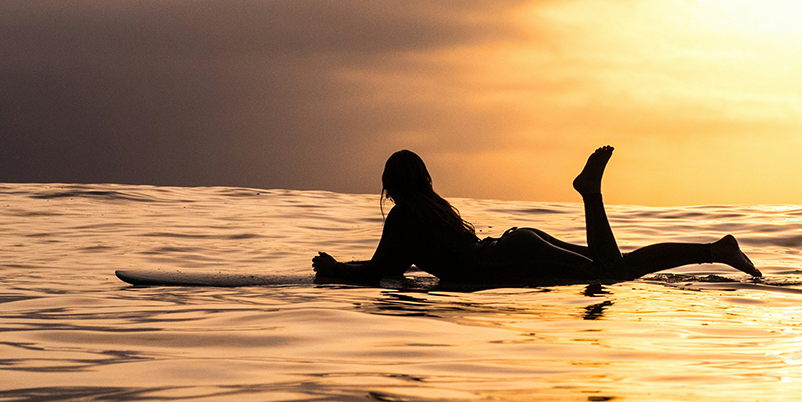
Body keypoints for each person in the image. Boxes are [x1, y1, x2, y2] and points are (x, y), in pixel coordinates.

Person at [312, 146, 761, 286]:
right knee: (616, 266)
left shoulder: (404, 219)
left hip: (508, 261)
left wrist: (335, 270)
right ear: (425, 179)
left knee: (608, 273)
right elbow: (393, 267)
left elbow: (383, 271)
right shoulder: (435, 211)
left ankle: (590, 193)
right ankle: (712, 249)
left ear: (390, 186)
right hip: (515, 244)